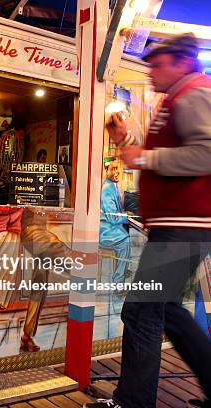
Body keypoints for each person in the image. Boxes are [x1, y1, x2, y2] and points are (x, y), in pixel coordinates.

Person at [86, 33, 211, 408]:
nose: (151, 73)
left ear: (180, 61)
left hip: (183, 226)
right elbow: (165, 152)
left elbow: (206, 154)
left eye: (156, 65)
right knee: (164, 309)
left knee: (141, 309)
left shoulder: (194, 94)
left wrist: (144, 158)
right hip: (178, 226)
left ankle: (132, 401)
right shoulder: (178, 98)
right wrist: (129, 141)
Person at [99, 160, 132, 290]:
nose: (116, 172)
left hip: (108, 227)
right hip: (104, 231)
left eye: (118, 169)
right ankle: (118, 283)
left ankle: (123, 269)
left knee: (126, 235)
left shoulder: (113, 185)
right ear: (106, 171)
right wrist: (127, 216)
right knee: (125, 242)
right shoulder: (107, 189)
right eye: (113, 169)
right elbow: (113, 218)